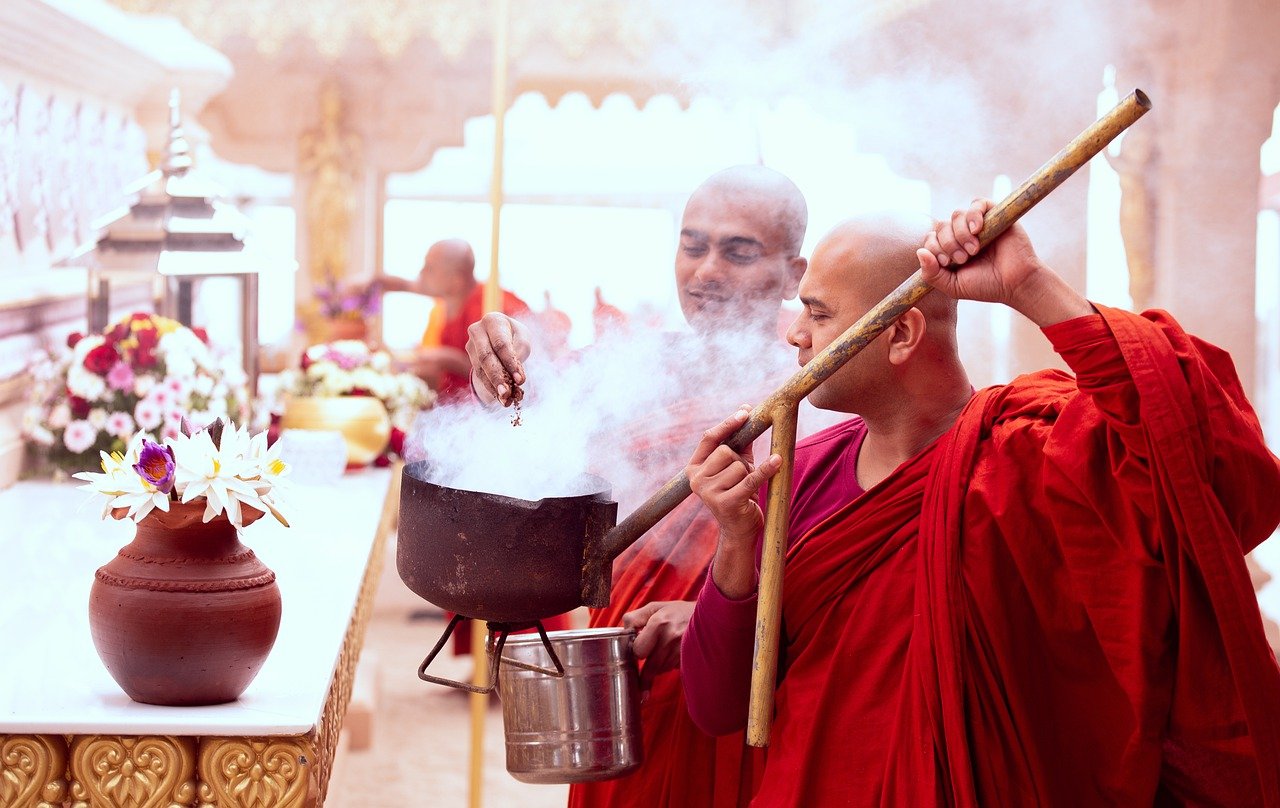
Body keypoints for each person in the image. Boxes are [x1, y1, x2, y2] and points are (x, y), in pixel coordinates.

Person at [680, 202, 1280, 806]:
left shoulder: (1031, 453)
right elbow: (718, 704)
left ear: (901, 333)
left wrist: (1029, 285)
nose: (794, 333)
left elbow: (1207, 468)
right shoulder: (796, 474)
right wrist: (736, 539)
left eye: (818, 313)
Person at [466, 165, 809, 808]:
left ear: (794, 274)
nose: (706, 271)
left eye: (738, 252)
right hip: (628, 677)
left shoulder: (820, 388)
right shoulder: (640, 368)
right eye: (692, 245)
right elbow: (532, 438)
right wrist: (502, 364)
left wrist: (717, 617)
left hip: (752, 687)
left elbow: (849, 576)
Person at [373, 238, 530, 402]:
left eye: (430, 268)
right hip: (451, 406)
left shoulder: (496, 306)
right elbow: (408, 285)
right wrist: (373, 282)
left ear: (456, 280)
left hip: (488, 409)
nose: (421, 273)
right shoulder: (447, 300)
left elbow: (510, 375)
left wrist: (450, 359)